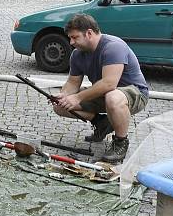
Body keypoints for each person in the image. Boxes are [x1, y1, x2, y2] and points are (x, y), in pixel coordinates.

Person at [52, 13, 149, 163]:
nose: (71, 42)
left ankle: (120, 143)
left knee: (113, 96)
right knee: (60, 106)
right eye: (70, 38)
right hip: (105, 94)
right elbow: (72, 83)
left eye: (75, 37)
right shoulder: (77, 54)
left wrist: (77, 97)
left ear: (89, 33)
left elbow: (109, 84)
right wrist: (63, 96)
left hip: (134, 94)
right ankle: (101, 122)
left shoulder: (113, 47)